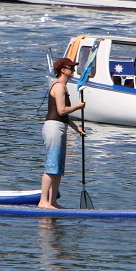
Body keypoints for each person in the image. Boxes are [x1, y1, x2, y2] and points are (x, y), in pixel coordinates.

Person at [40, 57, 86, 209]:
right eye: (70, 68)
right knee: (51, 164)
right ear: (62, 70)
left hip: (60, 126)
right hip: (53, 127)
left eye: (73, 68)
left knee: (58, 168)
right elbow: (61, 110)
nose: (73, 70)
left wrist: (77, 129)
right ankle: (43, 202)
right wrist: (78, 107)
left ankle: (53, 202)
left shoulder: (64, 87)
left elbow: (64, 115)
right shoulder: (59, 87)